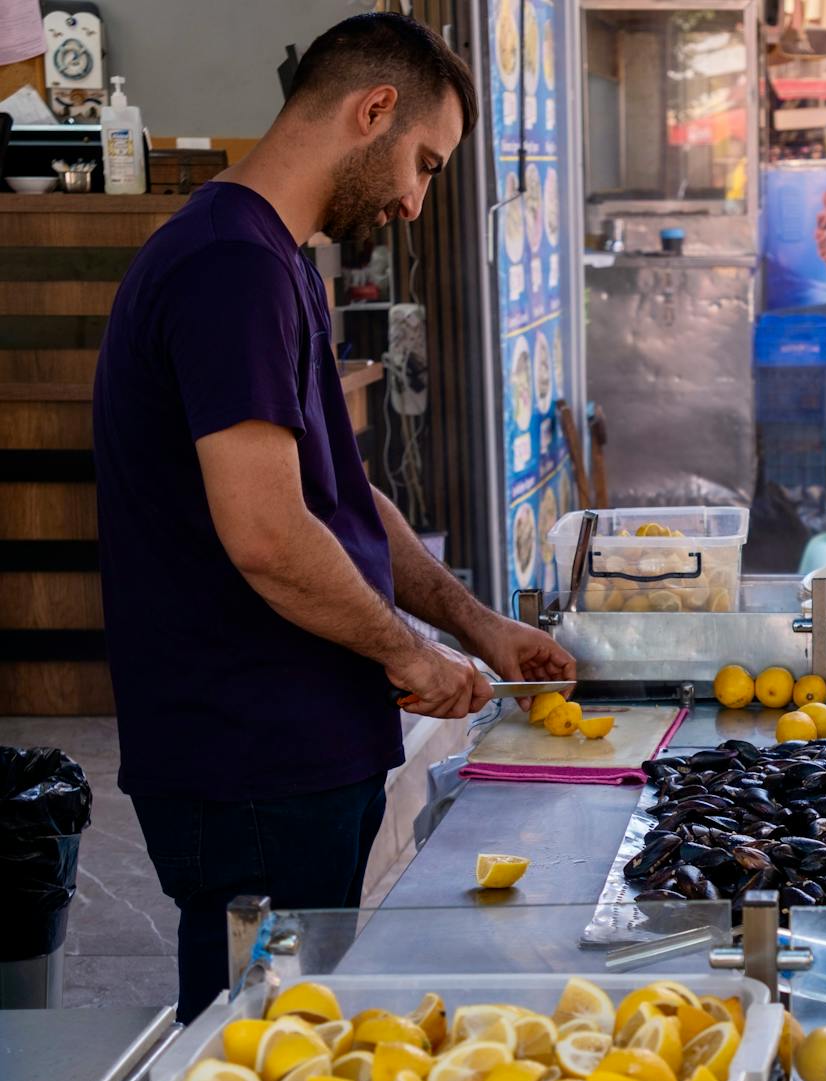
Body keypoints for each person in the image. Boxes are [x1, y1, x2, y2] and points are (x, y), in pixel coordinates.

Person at [92, 13, 575, 1022]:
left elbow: (340, 499)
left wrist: (470, 620)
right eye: (425, 164)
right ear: (374, 109)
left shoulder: (272, 260)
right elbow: (267, 534)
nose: (412, 201)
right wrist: (404, 653)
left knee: (320, 1056)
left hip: (299, 744)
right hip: (250, 757)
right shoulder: (230, 269)